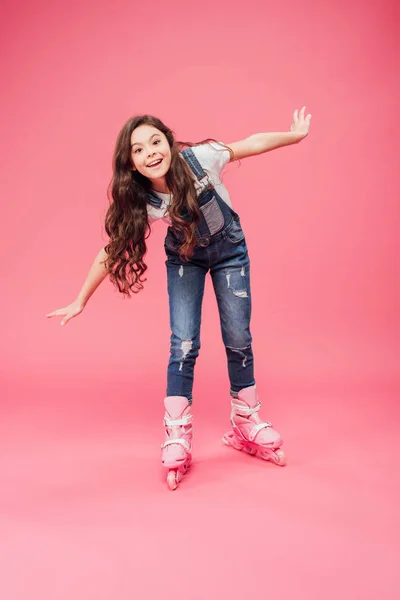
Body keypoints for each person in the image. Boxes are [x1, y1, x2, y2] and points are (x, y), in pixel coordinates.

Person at [46, 107, 312, 490]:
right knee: (184, 342)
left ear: (169, 143)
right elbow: (112, 249)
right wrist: (80, 299)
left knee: (239, 337)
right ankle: (177, 434)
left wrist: (294, 136)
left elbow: (250, 144)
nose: (151, 152)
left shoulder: (201, 158)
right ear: (131, 163)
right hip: (185, 259)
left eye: (156, 142)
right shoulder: (141, 199)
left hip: (230, 254)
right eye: (139, 149)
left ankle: (245, 421)